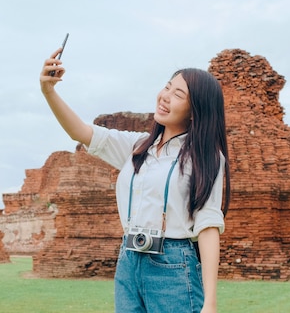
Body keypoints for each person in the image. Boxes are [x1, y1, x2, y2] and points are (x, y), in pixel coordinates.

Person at [40, 47, 231, 313]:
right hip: (129, 260)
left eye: (178, 94)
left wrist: (210, 302)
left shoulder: (206, 157)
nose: (165, 97)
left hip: (173, 264)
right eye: (167, 87)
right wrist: (48, 91)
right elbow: (80, 132)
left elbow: (208, 226)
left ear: (194, 110)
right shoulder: (139, 147)